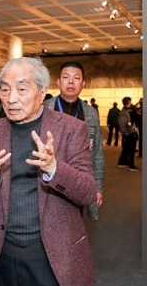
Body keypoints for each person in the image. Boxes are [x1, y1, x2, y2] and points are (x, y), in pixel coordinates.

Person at [0, 56, 97, 286]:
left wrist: (54, 168)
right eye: (5, 89)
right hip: (3, 259)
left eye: (22, 89)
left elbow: (88, 192)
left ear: (42, 91)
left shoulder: (71, 129)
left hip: (53, 258)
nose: (11, 98)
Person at [44, 61, 104, 220]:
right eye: (66, 77)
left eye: (76, 78)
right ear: (58, 82)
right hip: (48, 178)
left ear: (83, 84)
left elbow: (97, 152)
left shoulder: (90, 113)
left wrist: (98, 186)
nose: (71, 82)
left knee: (75, 222)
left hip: (78, 178)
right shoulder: (44, 108)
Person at [117, 96, 139, 171]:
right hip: (129, 133)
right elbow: (122, 124)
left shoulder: (128, 111)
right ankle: (131, 165)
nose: (131, 103)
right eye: (130, 102)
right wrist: (125, 133)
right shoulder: (124, 113)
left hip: (129, 132)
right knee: (131, 150)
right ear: (127, 102)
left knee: (126, 148)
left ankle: (122, 162)